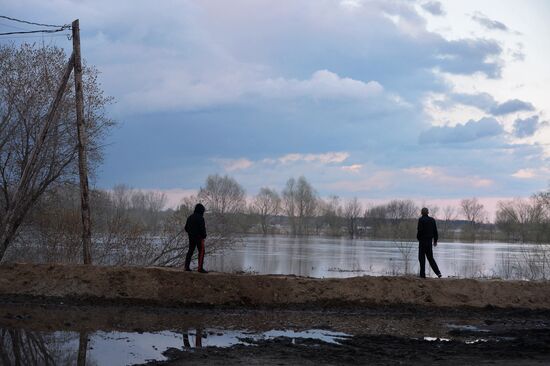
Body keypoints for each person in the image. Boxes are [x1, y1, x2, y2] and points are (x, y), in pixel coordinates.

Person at [416, 207, 442, 278]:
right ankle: (438, 273)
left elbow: (419, 231)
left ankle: (422, 275)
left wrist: (418, 238)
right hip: (429, 241)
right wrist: (435, 241)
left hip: (422, 241)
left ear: (421, 213)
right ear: (428, 213)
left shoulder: (421, 220)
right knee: (430, 258)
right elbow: (435, 231)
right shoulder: (432, 220)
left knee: (421, 258)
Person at [184, 203, 208, 273]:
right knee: (201, 252)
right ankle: (200, 268)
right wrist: (204, 236)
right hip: (199, 238)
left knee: (190, 251)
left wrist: (190, 233)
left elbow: (186, 228)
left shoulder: (190, 217)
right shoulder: (201, 218)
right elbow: (202, 229)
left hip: (191, 237)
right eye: (203, 211)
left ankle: (186, 267)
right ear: (201, 210)